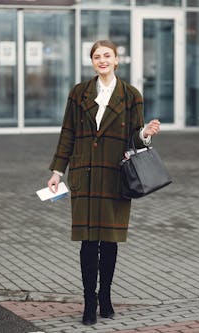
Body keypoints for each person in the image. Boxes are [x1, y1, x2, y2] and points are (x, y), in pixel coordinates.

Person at [47, 39, 161, 326]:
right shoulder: (78, 93)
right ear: (92, 61)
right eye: (97, 56)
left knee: (110, 241)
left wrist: (145, 134)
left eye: (107, 56)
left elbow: (133, 139)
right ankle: (89, 302)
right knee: (88, 241)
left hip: (115, 175)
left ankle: (106, 296)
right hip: (84, 175)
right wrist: (57, 171)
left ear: (117, 60)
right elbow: (67, 134)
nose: (102, 60)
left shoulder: (132, 95)